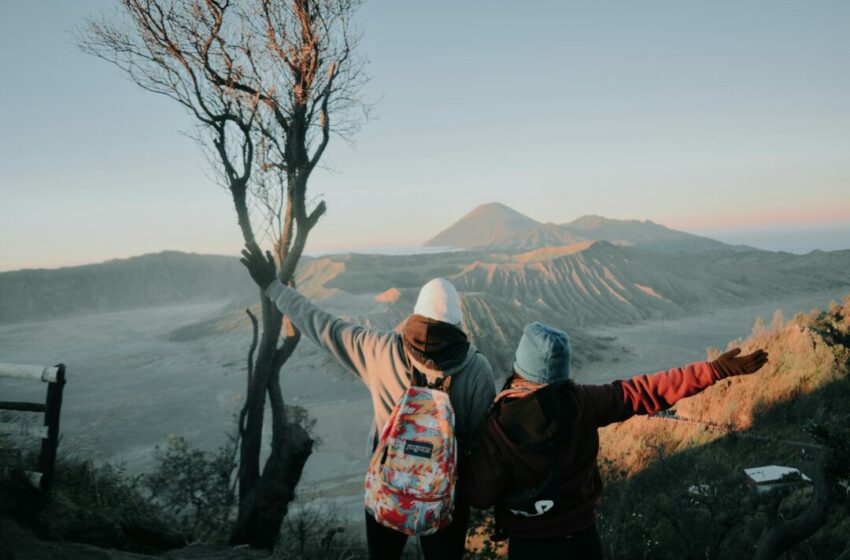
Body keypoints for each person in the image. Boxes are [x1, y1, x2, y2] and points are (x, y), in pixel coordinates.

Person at [240, 245, 497, 560]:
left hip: (388, 487)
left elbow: (320, 324)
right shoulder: (476, 369)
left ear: (416, 313)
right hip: (445, 496)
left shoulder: (379, 350)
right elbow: (481, 442)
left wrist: (272, 286)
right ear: (458, 322)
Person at [467, 321, 768, 559]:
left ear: (520, 367)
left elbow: (481, 496)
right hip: (583, 540)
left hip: (530, 545)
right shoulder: (584, 401)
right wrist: (713, 370)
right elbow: (645, 391)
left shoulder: (498, 425)